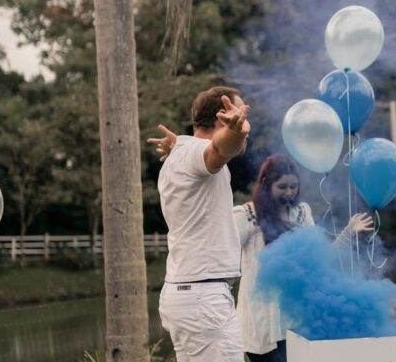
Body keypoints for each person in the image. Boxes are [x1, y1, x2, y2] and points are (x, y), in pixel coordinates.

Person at [149, 139, 374, 362]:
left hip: (297, 322)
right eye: (282, 187)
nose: (288, 192)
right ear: (266, 184)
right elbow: (216, 250)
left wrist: (348, 232)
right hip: (261, 326)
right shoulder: (247, 216)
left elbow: (320, 259)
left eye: (293, 187)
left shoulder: (302, 213)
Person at [154, 86, 250, 362]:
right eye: (238, 114)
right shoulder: (197, 154)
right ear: (222, 118)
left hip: (193, 294)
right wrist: (236, 132)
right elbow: (219, 150)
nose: (245, 124)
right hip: (202, 297)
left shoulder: (183, 153)